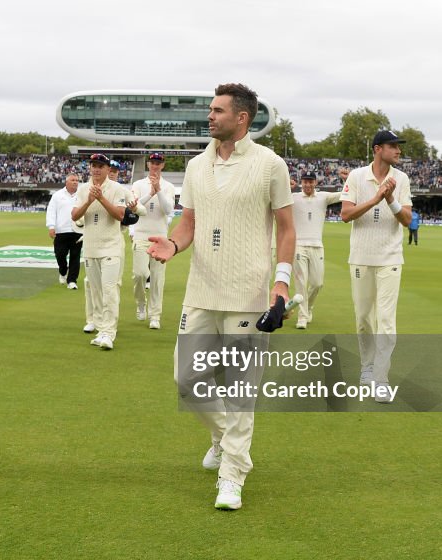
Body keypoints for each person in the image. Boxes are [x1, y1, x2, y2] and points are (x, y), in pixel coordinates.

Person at [148, 83, 294, 510]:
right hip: (200, 290)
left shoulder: (270, 164)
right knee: (186, 381)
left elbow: (286, 229)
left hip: (248, 294)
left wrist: (281, 285)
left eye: (217, 111)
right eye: (210, 110)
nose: (209, 117)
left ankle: (232, 475)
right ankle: (221, 438)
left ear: (241, 118)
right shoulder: (196, 166)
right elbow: (189, 223)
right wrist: (172, 246)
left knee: (240, 392)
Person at [339, 130, 413, 404]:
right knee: (363, 319)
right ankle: (366, 368)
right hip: (361, 257)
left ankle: (381, 379)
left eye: (398, 147)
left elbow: (406, 220)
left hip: (390, 259)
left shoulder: (401, 179)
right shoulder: (358, 177)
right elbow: (345, 214)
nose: (398, 151)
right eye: (393, 146)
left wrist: (391, 198)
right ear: (377, 149)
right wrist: (375, 198)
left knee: (386, 319)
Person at [72, 153, 143, 350]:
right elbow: (75, 215)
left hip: (111, 246)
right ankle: (102, 330)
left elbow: (120, 215)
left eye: (100, 166)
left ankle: (109, 334)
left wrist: (101, 198)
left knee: (110, 290)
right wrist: (88, 200)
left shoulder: (117, 188)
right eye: (93, 165)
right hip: (91, 248)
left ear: (106, 169)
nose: (96, 169)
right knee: (96, 292)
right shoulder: (83, 189)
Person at [289, 170, 344, 330]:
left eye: (310, 181)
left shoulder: (323, 197)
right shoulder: (293, 197)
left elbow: (345, 194)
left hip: (317, 246)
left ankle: (309, 307)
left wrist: (346, 181)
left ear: (315, 183)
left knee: (317, 283)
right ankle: (302, 316)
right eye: (305, 181)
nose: (308, 184)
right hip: (298, 245)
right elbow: (275, 196)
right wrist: (288, 187)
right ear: (301, 183)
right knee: (300, 283)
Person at [129, 152, 175, 330]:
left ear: (163, 165)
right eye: (153, 162)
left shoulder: (169, 186)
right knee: (140, 274)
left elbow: (168, 209)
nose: (155, 165)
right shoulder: (138, 184)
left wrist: (159, 191)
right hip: (141, 235)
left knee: (157, 278)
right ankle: (141, 303)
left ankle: (155, 315)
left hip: (160, 238)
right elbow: (134, 206)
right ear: (148, 164)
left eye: (159, 163)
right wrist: (151, 193)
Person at [46, 173, 82, 289]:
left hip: (78, 230)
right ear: (66, 182)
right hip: (61, 231)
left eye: (77, 180)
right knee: (60, 255)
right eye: (72, 180)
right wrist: (51, 226)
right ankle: (63, 271)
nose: (75, 182)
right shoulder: (57, 195)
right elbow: (51, 211)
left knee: (75, 257)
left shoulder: (82, 195)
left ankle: (72, 281)